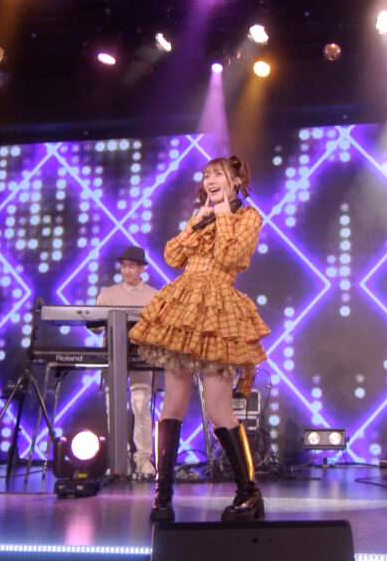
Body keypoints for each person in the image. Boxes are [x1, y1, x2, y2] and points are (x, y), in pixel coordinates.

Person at [129, 155, 270, 522]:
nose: (210, 180)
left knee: (217, 409)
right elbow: (173, 256)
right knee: (172, 403)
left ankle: (249, 493)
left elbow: (232, 256)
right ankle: (162, 494)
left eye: (218, 174)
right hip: (183, 306)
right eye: (207, 175)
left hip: (217, 310)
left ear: (236, 181)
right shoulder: (202, 216)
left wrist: (222, 214)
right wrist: (198, 219)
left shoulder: (248, 217)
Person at [93, 246, 159, 480]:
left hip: (142, 355)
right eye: (123, 266)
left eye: (132, 266)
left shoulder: (154, 296)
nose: (127, 270)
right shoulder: (108, 294)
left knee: (141, 404)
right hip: (113, 355)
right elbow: (96, 326)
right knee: (114, 407)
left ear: (142, 268)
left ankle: (143, 459)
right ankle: (120, 458)